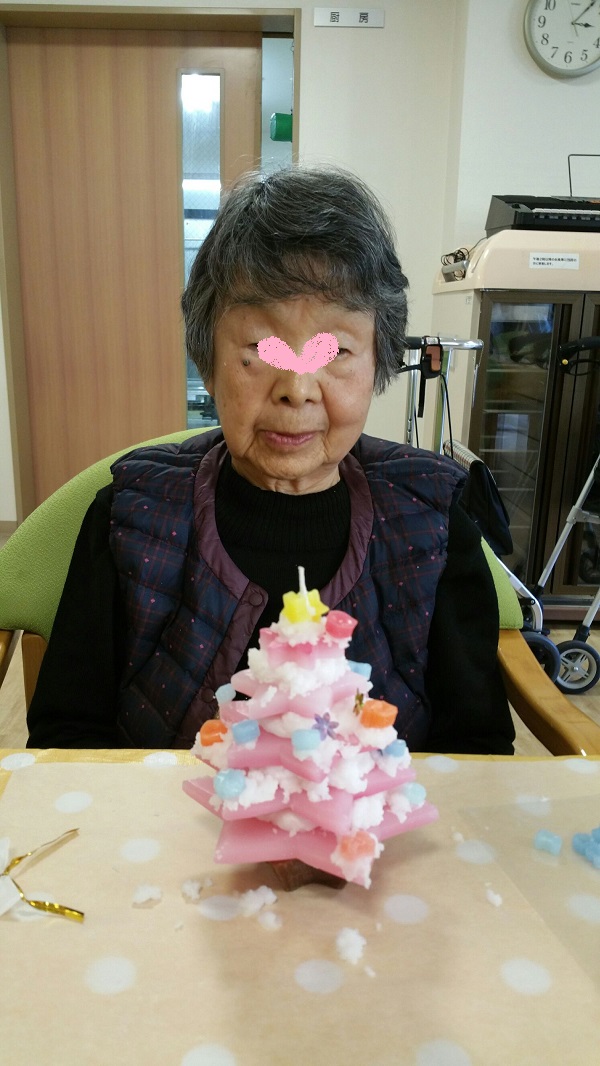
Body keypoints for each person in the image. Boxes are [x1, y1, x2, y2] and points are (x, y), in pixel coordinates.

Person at [27, 166, 515, 755]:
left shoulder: (432, 522)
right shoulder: (128, 517)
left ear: (378, 362)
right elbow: (66, 736)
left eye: (334, 350)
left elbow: (476, 749)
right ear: (208, 361)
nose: (297, 388)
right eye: (263, 347)